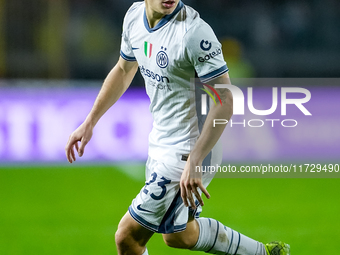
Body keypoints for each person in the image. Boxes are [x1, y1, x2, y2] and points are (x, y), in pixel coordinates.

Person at [65, 1, 290, 254]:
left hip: (190, 148)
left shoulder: (194, 33)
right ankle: (265, 253)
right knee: (180, 235)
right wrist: (90, 121)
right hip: (161, 142)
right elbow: (123, 69)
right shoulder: (133, 17)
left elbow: (225, 101)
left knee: (127, 238)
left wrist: (195, 160)